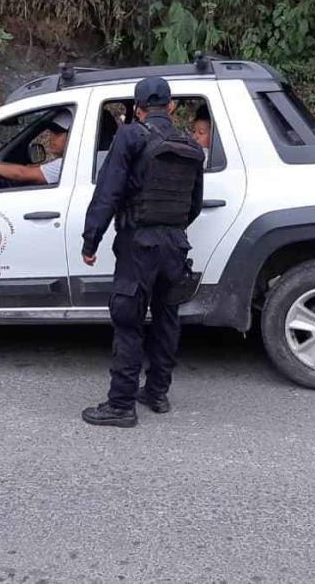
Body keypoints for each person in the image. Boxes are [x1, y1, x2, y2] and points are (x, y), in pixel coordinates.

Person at [80, 77, 205, 428]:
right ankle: (157, 393)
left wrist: (92, 240)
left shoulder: (130, 135)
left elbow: (109, 192)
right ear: (171, 107)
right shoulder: (191, 146)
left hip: (139, 245)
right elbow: (194, 204)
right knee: (167, 319)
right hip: (176, 246)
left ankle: (120, 405)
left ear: (136, 109)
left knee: (128, 321)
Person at [0, 109, 71, 185]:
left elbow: (22, 173)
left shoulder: (68, 165)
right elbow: (33, 169)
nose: (51, 136)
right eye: (51, 131)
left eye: (58, 132)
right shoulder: (66, 162)